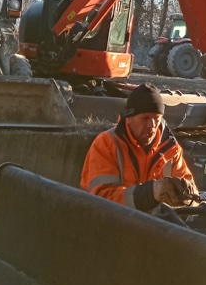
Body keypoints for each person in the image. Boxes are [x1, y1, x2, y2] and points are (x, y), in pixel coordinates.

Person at [80, 82, 196, 210]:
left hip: (157, 228)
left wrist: (188, 199)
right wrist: (150, 193)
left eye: (156, 118)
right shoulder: (106, 144)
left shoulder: (171, 149)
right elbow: (99, 200)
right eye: (145, 118)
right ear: (128, 118)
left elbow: (194, 197)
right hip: (114, 227)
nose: (152, 125)